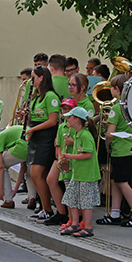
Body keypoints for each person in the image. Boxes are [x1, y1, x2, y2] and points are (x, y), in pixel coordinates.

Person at [98, 74, 132, 227]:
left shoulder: (116, 108)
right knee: (116, 181)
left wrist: (107, 144)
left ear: (116, 89)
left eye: (111, 87)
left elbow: (110, 134)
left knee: (122, 182)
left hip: (120, 149)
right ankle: (115, 213)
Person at [23, 66, 60, 222]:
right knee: (38, 174)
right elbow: (36, 117)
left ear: (41, 78)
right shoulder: (37, 96)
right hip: (36, 136)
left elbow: (53, 120)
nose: (32, 81)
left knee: (36, 173)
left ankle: (47, 207)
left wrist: (33, 129)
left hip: (46, 137)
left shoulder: (51, 96)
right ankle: (44, 207)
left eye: (33, 78)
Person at [58, 107, 101, 238]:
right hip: (78, 174)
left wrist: (70, 156)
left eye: (69, 117)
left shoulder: (85, 135)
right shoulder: (77, 134)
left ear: (77, 120)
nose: (67, 120)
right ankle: (75, 223)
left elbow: (88, 154)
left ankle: (88, 227)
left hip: (87, 175)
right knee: (71, 198)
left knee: (86, 201)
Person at [43, 96, 77, 226]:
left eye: (69, 109)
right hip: (62, 158)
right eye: (64, 109)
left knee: (71, 189)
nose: (66, 111)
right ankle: (62, 213)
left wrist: (71, 143)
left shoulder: (76, 125)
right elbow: (57, 144)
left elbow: (82, 143)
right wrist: (59, 159)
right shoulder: (62, 126)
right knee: (51, 179)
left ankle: (75, 217)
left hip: (73, 160)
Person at [0, 121, 29, 210]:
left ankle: (8, 200)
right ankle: (31, 198)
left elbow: (0, 167)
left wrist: (0, 190)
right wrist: (15, 189)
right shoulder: (10, 134)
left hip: (21, 145)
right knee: (29, 172)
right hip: (33, 143)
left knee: (4, 166)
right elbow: (23, 167)